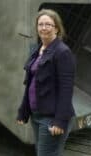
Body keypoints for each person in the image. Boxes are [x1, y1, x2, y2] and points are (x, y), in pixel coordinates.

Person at [17, 9, 76, 156]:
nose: (44, 27)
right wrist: (23, 111)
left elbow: (66, 89)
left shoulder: (62, 52)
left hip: (51, 117)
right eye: (40, 24)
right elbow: (31, 83)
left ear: (56, 28)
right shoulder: (38, 50)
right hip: (37, 115)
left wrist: (60, 121)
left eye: (48, 24)